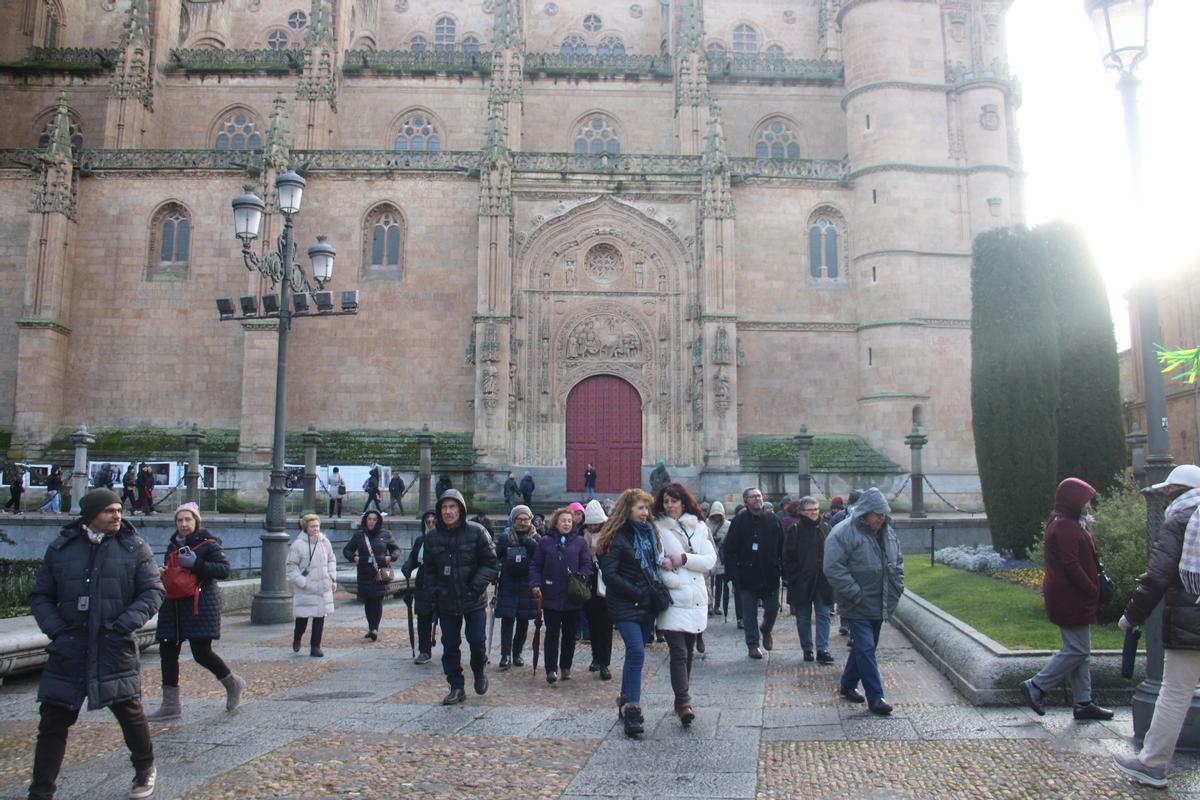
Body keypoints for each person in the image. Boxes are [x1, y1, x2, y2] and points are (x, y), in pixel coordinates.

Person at [28, 488, 163, 800]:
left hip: (113, 643)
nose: (117, 515)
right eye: (109, 511)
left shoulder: (134, 547)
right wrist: (57, 631)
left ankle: (145, 767)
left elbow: (153, 591)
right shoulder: (62, 548)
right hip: (70, 645)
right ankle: (40, 790)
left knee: (129, 711)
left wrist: (125, 625)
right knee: (53, 719)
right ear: (91, 515)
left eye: (119, 510)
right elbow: (41, 595)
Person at [1113, 464, 1200, 789]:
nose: (1164, 497)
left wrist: (1132, 615)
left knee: (1175, 694)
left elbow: (1158, 577)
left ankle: (1152, 763)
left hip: (1190, 621)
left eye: (1167, 491)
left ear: (1177, 491)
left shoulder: (1179, 519)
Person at [1017, 477, 1114, 722]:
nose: (1089, 505)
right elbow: (1071, 564)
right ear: (1073, 501)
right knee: (1078, 650)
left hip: (1071, 596)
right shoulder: (1065, 527)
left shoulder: (1067, 522)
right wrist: (1091, 588)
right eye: (1085, 500)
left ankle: (1084, 703)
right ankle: (1036, 685)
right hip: (1071, 597)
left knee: (1081, 651)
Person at [147, 502, 245, 721]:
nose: (183, 524)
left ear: (196, 522)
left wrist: (197, 564)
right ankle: (170, 705)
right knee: (167, 652)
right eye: (180, 520)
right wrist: (164, 572)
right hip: (173, 605)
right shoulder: (173, 545)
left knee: (201, 652)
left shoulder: (208, 544)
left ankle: (232, 683)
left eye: (188, 520)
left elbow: (224, 570)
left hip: (199, 604)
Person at [823, 487, 905, 715]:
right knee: (866, 648)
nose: (881, 519)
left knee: (864, 647)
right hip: (856, 602)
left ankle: (848, 684)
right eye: (877, 515)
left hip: (881, 600)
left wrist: (898, 584)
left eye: (883, 515)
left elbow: (897, 559)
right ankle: (876, 696)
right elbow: (833, 567)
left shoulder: (887, 532)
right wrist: (855, 593)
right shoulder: (843, 532)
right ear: (865, 513)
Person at [423, 489, 499, 705]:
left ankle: (479, 670)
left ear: (461, 509)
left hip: (473, 599)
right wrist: (434, 592)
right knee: (450, 645)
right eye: (444, 508)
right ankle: (456, 686)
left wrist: (475, 587)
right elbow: (428, 570)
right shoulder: (432, 537)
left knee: (476, 641)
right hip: (446, 600)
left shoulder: (477, 532)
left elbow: (491, 563)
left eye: (452, 507)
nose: (448, 512)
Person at [596, 488, 660, 738]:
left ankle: (625, 700)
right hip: (625, 604)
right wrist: (637, 593)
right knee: (636, 650)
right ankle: (633, 709)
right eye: (641, 508)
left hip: (646, 605)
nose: (645, 513)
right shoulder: (616, 538)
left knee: (637, 653)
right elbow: (610, 575)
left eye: (647, 508)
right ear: (628, 510)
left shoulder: (651, 535)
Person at [653, 483, 715, 726]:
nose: (670, 505)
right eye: (666, 501)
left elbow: (710, 560)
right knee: (678, 652)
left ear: (683, 502)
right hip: (672, 598)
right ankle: (684, 700)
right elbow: (656, 560)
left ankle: (681, 701)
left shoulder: (699, 527)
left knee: (688, 652)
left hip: (696, 598)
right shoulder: (656, 528)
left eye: (674, 501)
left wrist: (683, 559)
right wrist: (672, 580)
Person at [530, 507, 593, 683]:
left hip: (572, 595)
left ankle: (566, 666)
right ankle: (551, 668)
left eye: (569, 521)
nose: (567, 523)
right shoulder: (545, 542)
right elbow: (536, 565)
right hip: (551, 594)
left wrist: (580, 577)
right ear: (556, 522)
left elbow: (587, 565)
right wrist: (535, 584)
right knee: (552, 633)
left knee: (570, 633)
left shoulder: (580, 542)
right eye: (563, 520)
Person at [723, 487, 784, 658]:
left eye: (759, 496)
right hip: (746, 576)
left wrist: (782, 568)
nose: (757, 499)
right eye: (753, 497)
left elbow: (781, 546)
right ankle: (753, 644)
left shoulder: (773, 519)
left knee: (772, 608)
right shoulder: (739, 522)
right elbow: (730, 550)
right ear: (746, 501)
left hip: (769, 574)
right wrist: (733, 575)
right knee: (749, 613)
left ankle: (766, 629)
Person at [782, 497, 835, 664]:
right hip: (802, 581)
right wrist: (793, 576)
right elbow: (787, 557)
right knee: (803, 617)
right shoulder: (795, 530)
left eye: (816, 509)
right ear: (801, 512)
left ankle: (822, 649)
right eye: (810, 509)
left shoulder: (826, 528)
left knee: (824, 614)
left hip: (823, 580)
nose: (814, 512)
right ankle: (807, 649)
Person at [342, 510, 400, 641]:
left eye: (374, 519)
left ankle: (375, 628)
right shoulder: (359, 536)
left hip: (379, 573)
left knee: (377, 599)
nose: (372, 522)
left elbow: (396, 549)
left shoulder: (385, 534)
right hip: (364, 572)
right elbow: (347, 550)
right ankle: (371, 627)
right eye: (369, 519)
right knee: (368, 600)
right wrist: (354, 558)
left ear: (378, 521)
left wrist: (390, 557)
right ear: (365, 520)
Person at [286, 514, 337, 657]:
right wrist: (303, 583)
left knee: (320, 616)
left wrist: (332, 578)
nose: (315, 529)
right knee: (302, 617)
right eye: (312, 526)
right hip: (306, 587)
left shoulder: (324, 542)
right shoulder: (297, 545)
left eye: (317, 526)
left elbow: (331, 559)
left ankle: (315, 646)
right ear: (305, 528)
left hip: (322, 585)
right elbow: (291, 567)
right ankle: (297, 637)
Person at [494, 505, 538, 670]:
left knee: (523, 621)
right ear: (513, 520)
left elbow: (541, 555)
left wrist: (530, 543)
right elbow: (495, 557)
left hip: (528, 584)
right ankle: (505, 655)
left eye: (526, 519)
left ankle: (517, 653)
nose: (523, 523)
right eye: (519, 519)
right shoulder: (505, 538)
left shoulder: (536, 537)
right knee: (507, 620)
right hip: (509, 584)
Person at [401, 510, 439, 664]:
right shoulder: (420, 541)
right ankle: (424, 650)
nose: (431, 524)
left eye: (433, 521)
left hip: (442, 579)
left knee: (448, 617)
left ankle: (451, 650)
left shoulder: (446, 538)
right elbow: (413, 558)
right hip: (423, 581)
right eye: (428, 522)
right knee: (423, 618)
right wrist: (408, 566)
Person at [581, 499, 613, 680]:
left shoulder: (610, 537)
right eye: (590, 523)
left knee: (606, 626)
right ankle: (595, 657)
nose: (592, 526)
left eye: (595, 523)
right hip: (589, 586)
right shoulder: (582, 536)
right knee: (593, 625)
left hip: (606, 585)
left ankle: (605, 663)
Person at [707, 501, 731, 617]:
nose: (717, 517)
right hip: (710, 555)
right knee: (709, 583)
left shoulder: (728, 525)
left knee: (720, 584)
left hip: (721, 557)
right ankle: (710, 604)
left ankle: (717, 605)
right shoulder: (707, 524)